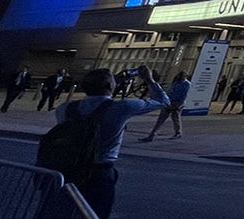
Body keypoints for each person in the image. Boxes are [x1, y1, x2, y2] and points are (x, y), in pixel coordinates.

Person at [54, 65, 169, 218]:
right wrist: (149, 79)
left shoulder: (64, 109)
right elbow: (162, 101)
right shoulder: (121, 107)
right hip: (99, 171)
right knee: (95, 213)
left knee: (61, 212)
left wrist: (111, 83)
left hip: (68, 168)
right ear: (110, 85)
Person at [139, 71, 191, 141]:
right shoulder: (176, 82)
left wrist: (178, 105)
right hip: (170, 101)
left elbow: (184, 96)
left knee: (175, 118)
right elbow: (171, 91)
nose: (180, 77)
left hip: (177, 102)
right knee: (162, 118)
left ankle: (177, 133)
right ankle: (152, 134)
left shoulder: (187, 84)